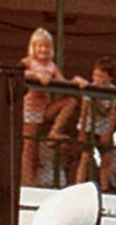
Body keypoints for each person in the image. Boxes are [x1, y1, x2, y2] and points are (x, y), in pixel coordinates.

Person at [21, 28, 85, 186]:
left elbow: (62, 81)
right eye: (39, 46)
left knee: (71, 101)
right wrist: (36, 75)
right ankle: (28, 183)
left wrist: (76, 81)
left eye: (47, 46)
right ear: (33, 47)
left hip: (44, 109)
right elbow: (19, 73)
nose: (43, 49)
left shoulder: (51, 65)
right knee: (29, 147)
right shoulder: (28, 62)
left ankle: (54, 132)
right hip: (30, 111)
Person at [72, 57, 116, 186]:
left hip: (103, 129)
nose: (97, 80)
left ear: (110, 78)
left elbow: (113, 113)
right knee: (85, 158)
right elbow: (84, 111)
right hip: (88, 128)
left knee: (106, 160)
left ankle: (104, 188)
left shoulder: (113, 91)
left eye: (101, 77)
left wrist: (108, 133)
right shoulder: (90, 88)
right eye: (95, 76)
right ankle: (78, 185)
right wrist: (81, 132)